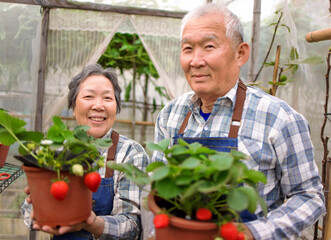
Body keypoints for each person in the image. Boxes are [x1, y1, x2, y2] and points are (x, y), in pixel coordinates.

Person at [151, 3, 326, 240]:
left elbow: (309, 196)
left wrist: (253, 232)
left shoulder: (278, 118)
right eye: (188, 48)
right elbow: (159, 189)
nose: (196, 60)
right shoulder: (170, 115)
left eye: (209, 46)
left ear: (240, 53)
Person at [22, 63, 150, 239]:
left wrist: (91, 223)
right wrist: (37, 208)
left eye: (107, 98)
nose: (98, 106)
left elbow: (132, 226)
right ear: (73, 107)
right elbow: (28, 214)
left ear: (116, 108)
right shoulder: (54, 150)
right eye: (89, 96)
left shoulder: (131, 153)